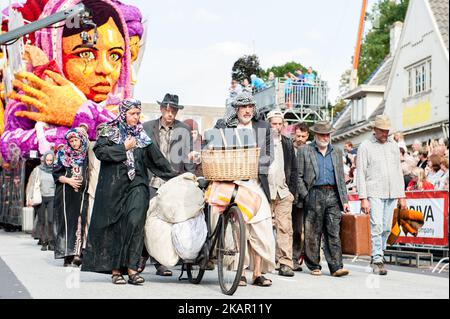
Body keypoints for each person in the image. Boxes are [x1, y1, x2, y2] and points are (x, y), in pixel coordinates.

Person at [1, 0, 144, 162]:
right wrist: (79, 129)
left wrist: (81, 112)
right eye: (86, 54)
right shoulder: (37, 94)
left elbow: (137, 140)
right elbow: (8, 144)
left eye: (114, 56)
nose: (105, 69)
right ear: (55, 51)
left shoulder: (122, 109)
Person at [81, 98, 175, 285]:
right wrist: (122, 148)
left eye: (138, 113)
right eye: (132, 113)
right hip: (113, 187)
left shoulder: (141, 135)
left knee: (135, 222)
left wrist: (178, 176)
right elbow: (101, 153)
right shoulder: (109, 131)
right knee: (117, 226)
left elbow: (157, 161)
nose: (136, 117)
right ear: (123, 113)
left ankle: (132, 269)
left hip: (137, 184)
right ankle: (116, 271)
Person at [215, 91, 276, 287]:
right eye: (243, 107)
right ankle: (239, 272)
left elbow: (269, 155)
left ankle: (258, 273)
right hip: (233, 183)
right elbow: (214, 148)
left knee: (262, 226)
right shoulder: (226, 126)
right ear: (236, 109)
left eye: (250, 107)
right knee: (239, 229)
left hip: (255, 182)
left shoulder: (263, 127)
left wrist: (253, 166)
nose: (247, 111)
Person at [139, 94, 195, 276]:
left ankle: (160, 262)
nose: (170, 114)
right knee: (146, 219)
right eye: (167, 110)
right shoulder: (147, 128)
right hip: (150, 180)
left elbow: (188, 157)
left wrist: (191, 177)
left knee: (166, 223)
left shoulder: (184, 129)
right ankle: (141, 257)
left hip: (173, 182)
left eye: (174, 110)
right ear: (161, 109)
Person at [297, 121, 350, 277]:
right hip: (313, 193)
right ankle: (314, 265)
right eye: (322, 134)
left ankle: (336, 267)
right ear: (315, 135)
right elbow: (298, 176)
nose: (325, 137)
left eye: (327, 134)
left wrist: (345, 200)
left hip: (333, 194)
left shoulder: (337, 152)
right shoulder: (304, 150)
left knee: (333, 231)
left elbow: (340, 178)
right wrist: (306, 195)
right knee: (313, 231)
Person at [356, 115, 407, 276]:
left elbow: (398, 171)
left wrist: (402, 195)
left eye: (387, 131)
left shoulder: (393, 145)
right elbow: (361, 173)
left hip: (391, 192)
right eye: (383, 131)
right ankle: (377, 258)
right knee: (377, 225)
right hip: (374, 191)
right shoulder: (365, 146)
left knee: (386, 228)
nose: (386, 134)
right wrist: (363, 198)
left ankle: (379, 254)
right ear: (375, 130)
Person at [266, 110, 298, 277]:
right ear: (268, 124)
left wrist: (291, 192)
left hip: (283, 192)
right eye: (274, 124)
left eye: (280, 124)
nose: (277, 127)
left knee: (285, 228)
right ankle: (264, 261)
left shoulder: (287, 143)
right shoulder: (262, 142)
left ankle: (285, 263)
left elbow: (293, 169)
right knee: (263, 228)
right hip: (266, 192)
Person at [53, 128, 89, 267]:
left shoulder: (86, 154)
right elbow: (56, 175)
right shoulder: (62, 154)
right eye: (72, 141)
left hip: (82, 194)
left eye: (76, 140)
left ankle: (78, 254)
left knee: (81, 222)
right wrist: (70, 181)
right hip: (65, 193)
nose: (74, 143)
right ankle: (67, 255)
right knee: (67, 222)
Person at [26, 151, 56, 251]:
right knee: (42, 221)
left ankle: (51, 241)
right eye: (47, 160)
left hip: (52, 197)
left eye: (51, 160)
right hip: (40, 198)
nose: (49, 162)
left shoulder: (56, 170)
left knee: (51, 220)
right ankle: (44, 241)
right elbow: (33, 184)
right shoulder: (38, 170)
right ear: (44, 160)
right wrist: (30, 198)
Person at [291, 122, 309, 271]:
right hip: (290, 193)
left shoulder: (310, 150)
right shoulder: (289, 148)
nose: (300, 138)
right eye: (298, 136)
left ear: (307, 136)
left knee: (302, 229)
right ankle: (290, 258)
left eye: (303, 136)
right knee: (291, 229)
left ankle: (299, 257)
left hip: (306, 195)